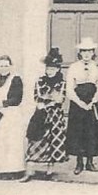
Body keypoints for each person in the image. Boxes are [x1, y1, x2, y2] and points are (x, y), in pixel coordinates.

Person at [24, 48, 67, 181]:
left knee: (53, 141)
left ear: (58, 69)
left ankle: (50, 171)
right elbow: (37, 96)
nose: (50, 71)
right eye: (48, 68)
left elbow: (60, 99)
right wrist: (48, 100)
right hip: (41, 114)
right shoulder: (40, 81)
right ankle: (30, 171)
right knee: (35, 139)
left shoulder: (62, 83)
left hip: (55, 116)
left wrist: (49, 99)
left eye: (53, 69)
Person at [65, 38, 98, 175]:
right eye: (84, 51)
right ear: (80, 53)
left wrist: (94, 101)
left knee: (92, 132)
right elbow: (69, 89)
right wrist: (80, 103)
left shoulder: (97, 68)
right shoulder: (73, 67)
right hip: (78, 105)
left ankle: (90, 162)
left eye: (89, 51)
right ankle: (79, 163)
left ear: (93, 52)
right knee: (78, 133)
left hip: (92, 104)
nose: (87, 54)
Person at [0, 55, 26, 179]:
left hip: (11, 114)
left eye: (6, 66)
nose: (3, 68)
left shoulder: (16, 80)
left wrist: (2, 103)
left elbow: (17, 98)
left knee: (10, 142)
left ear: (10, 66)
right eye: (1, 66)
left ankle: (13, 171)